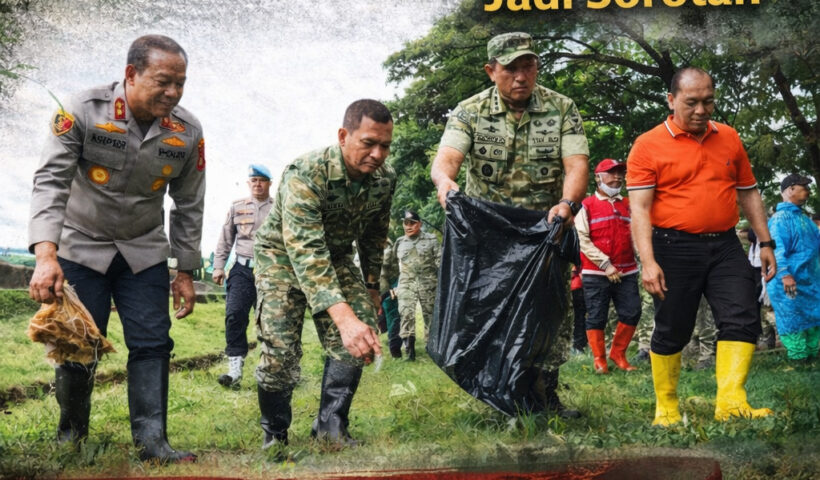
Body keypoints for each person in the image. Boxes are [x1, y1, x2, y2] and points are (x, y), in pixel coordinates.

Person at [27, 35, 203, 463]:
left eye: (180, 83)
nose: (173, 92)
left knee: (153, 343)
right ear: (131, 74)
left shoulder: (187, 131)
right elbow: (51, 182)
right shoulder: (81, 111)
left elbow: (189, 204)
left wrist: (184, 271)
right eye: (163, 81)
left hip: (143, 252)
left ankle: (153, 443)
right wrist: (46, 256)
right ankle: (72, 437)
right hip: (80, 246)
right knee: (78, 342)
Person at [431, 32, 589, 418]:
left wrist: (568, 203)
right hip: (490, 237)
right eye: (510, 68)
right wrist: (445, 184)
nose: (521, 76)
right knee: (489, 312)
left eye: (528, 66)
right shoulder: (469, 111)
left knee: (548, 313)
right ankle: (499, 394)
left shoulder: (561, 108)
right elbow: (445, 162)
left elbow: (576, 165)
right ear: (491, 71)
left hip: (545, 231)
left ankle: (546, 397)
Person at [627, 66, 776, 426]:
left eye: (708, 102)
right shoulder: (647, 144)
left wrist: (765, 241)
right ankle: (666, 406)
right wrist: (648, 261)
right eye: (691, 102)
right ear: (671, 100)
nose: (701, 110)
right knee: (673, 327)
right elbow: (640, 209)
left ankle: (731, 403)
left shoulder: (729, 137)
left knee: (742, 315)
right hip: (672, 246)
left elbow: (748, 192)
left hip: (725, 244)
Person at [253, 99, 394, 450]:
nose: (377, 154)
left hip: (337, 255)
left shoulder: (384, 179)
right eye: (368, 143)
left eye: (385, 145)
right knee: (280, 349)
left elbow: (375, 232)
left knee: (362, 327)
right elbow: (306, 249)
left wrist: (371, 286)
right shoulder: (306, 173)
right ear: (344, 136)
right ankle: (275, 434)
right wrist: (342, 320)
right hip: (282, 257)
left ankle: (330, 426)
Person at [575, 159, 641, 374]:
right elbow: (582, 239)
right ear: (598, 177)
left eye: (620, 173)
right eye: (611, 173)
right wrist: (605, 264)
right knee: (597, 315)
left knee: (632, 312)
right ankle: (599, 360)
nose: (617, 177)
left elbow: (637, 234)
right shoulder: (586, 205)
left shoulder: (629, 204)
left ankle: (618, 354)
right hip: (596, 272)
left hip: (627, 270)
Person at [212, 165, 273, 387]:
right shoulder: (237, 206)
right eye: (254, 180)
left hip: (270, 271)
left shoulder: (279, 208)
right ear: (249, 183)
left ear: (269, 183)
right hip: (242, 269)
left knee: (270, 321)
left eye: (262, 180)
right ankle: (234, 371)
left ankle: (272, 370)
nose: (258, 184)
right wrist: (218, 266)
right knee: (234, 315)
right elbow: (226, 237)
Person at [766, 174, 820, 361]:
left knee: (813, 319)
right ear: (790, 189)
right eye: (803, 187)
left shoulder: (805, 219)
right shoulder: (779, 220)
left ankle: (811, 358)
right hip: (789, 281)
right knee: (793, 320)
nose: (808, 191)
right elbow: (776, 250)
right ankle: (798, 359)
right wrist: (785, 274)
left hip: (809, 281)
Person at [381, 210, 440, 361]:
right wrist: (393, 286)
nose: (408, 226)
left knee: (430, 316)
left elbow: (440, 262)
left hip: (428, 283)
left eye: (412, 223)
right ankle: (409, 351)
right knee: (406, 314)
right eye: (406, 223)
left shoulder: (431, 239)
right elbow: (393, 266)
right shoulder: (399, 242)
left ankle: (431, 348)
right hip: (406, 284)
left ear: (419, 224)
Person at [378, 238, 402, 359]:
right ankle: (394, 350)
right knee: (391, 319)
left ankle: (395, 350)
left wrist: (390, 290)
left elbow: (385, 274)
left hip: (387, 289)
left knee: (393, 319)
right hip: (381, 289)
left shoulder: (387, 252)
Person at [569, 265, 587, 355]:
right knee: (579, 317)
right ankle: (578, 344)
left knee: (579, 317)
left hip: (577, 286)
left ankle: (579, 344)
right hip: (578, 287)